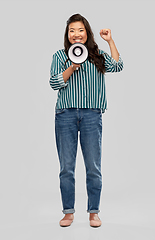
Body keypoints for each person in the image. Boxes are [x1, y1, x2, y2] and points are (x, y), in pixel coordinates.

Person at [49, 13, 123, 227]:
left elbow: (118, 66)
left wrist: (110, 41)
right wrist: (72, 67)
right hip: (65, 115)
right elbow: (54, 82)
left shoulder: (97, 54)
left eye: (80, 30)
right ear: (68, 34)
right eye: (72, 30)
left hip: (92, 115)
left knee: (93, 166)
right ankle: (68, 212)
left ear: (87, 32)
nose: (76, 34)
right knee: (66, 167)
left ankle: (93, 212)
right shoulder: (58, 56)